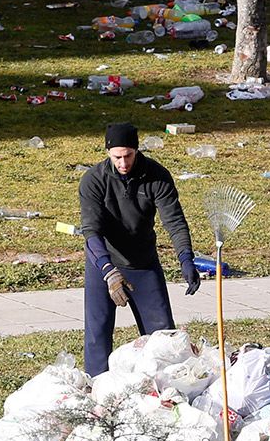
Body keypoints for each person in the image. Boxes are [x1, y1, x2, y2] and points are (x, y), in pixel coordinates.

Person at [79, 122, 201, 376]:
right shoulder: (93, 180)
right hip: (103, 264)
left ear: (137, 150)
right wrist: (108, 270)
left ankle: (167, 390)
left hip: (142, 264)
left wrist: (186, 258)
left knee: (163, 337)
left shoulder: (156, 176)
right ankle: (96, 392)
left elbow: (175, 221)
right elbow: (91, 231)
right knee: (97, 335)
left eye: (128, 156)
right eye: (117, 157)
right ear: (107, 153)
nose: (123, 163)